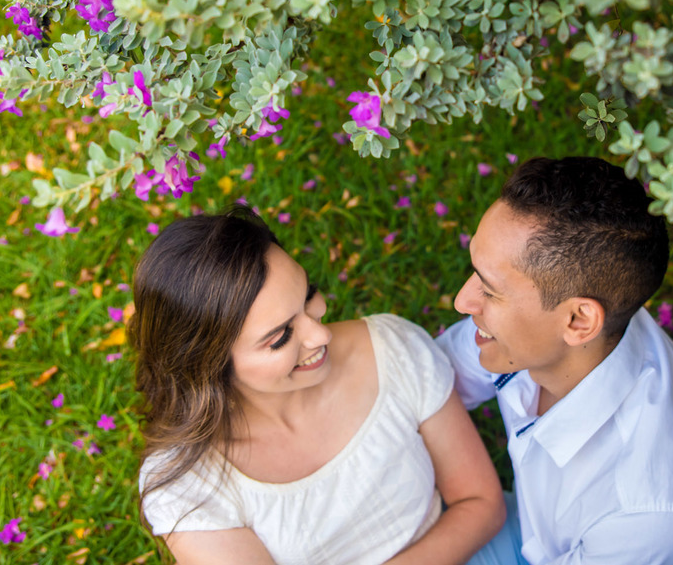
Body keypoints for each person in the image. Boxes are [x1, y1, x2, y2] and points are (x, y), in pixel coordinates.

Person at [130, 208, 505, 565]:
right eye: (280, 337)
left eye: (309, 296)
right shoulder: (189, 485)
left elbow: (481, 503)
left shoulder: (391, 349)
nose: (321, 333)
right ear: (208, 365)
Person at [437, 157, 673, 565]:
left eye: (491, 291)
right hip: (534, 530)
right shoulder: (540, 337)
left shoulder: (647, 515)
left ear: (578, 321)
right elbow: (425, 382)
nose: (463, 301)